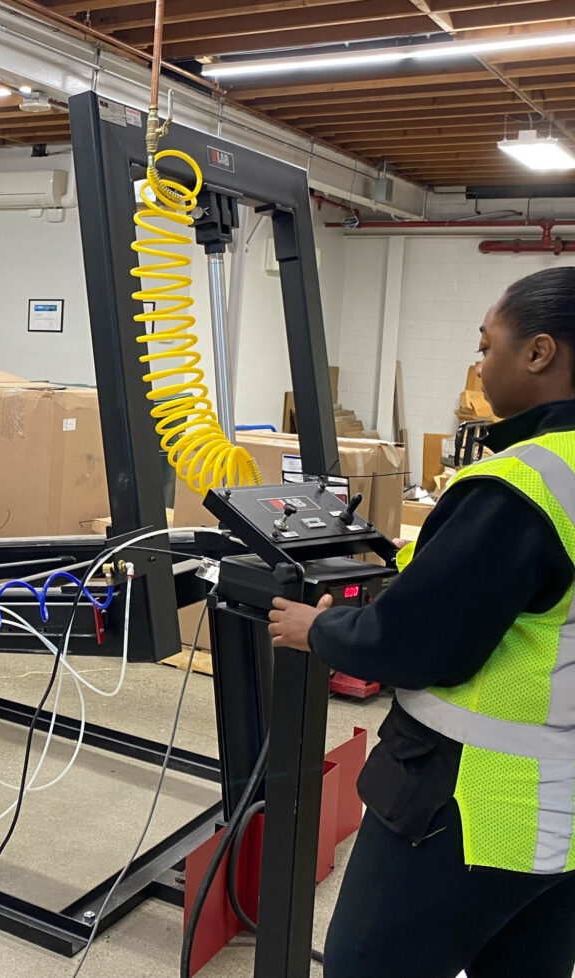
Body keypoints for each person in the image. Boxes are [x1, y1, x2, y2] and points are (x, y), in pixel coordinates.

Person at [267, 265, 575, 978]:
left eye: (486, 344)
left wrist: (315, 631)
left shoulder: (524, 483)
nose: (479, 363)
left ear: (538, 352)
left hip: (469, 804)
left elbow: (415, 644)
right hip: (560, 821)